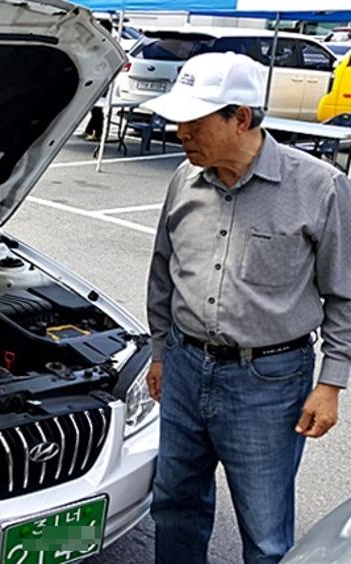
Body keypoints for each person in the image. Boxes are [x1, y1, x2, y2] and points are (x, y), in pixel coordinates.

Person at [143, 52, 350, 564]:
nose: (179, 133)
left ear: (240, 117)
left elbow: (346, 294)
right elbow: (162, 270)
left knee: (264, 531)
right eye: (178, 121)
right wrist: (159, 352)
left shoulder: (319, 186)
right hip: (186, 368)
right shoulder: (183, 181)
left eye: (194, 122)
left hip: (269, 381)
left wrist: (331, 384)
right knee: (174, 503)